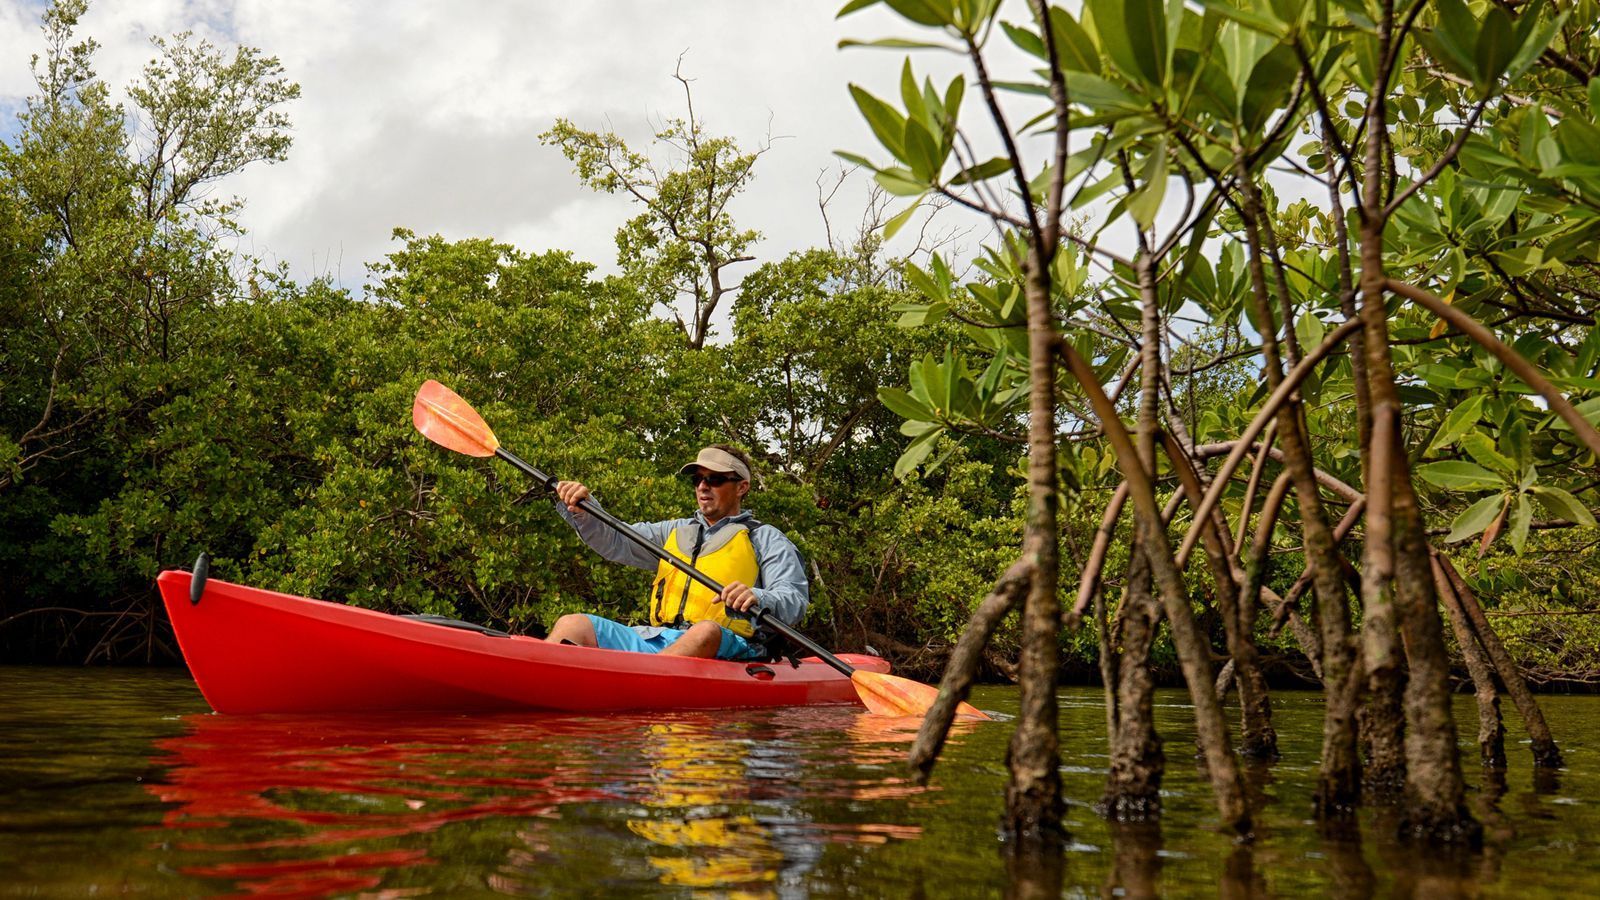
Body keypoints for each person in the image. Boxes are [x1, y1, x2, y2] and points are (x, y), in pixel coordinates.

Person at [544, 444, 809, 660]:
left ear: (742, 487)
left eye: (715, 479)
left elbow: (794, 599)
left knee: (705, 631)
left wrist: (756, 595)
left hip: (729, 644)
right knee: (573, 624)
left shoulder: (765, 538)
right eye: (698, 480)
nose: (703, 487)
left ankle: (640, 687)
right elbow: (615, 540)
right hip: (656, 638)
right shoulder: (673, 532)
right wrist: (584, 508)